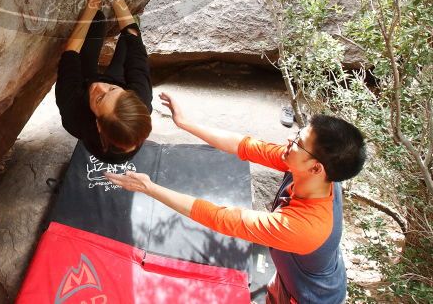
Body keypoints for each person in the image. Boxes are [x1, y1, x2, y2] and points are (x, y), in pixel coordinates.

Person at [106, 92, 366, 304]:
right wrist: (185, 123)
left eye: (299, 140)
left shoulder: (303, 228)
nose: (290, 138)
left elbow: (222, 218)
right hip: (294, 276)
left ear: (316, 168)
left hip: (310, 297)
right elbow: (245, 146)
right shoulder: (309, 169)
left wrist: (150, 188)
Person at [55, 0, 152, 163]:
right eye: (112, 90)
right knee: (129, 39)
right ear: (129, 93)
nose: (99, 86)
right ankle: (109, 94)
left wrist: (92, 4)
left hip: (82, 88)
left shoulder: (75, 114)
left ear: (98, 125)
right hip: (115, 82)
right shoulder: (140, 99)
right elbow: (133, 37)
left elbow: (70, 54)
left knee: (95, 20)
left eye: (100, 99)